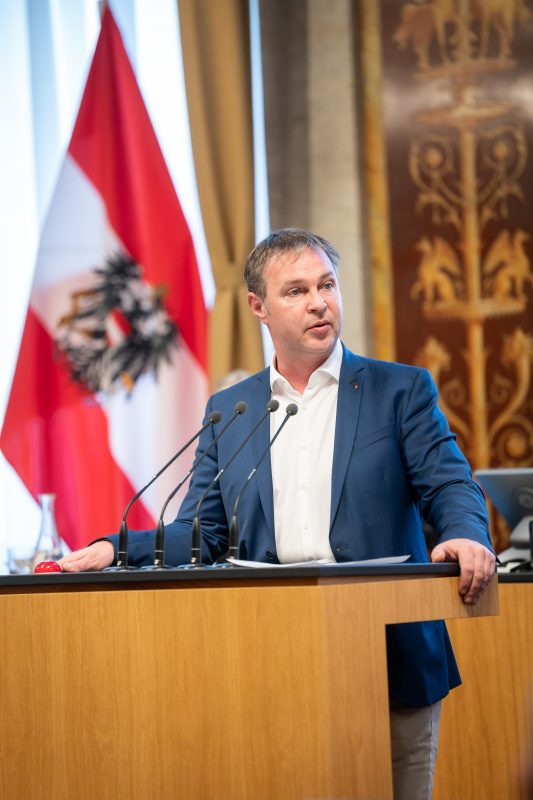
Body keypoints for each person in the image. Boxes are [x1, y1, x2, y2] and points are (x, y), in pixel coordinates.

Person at [59, 228, 496, 800]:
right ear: (257, 307)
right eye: (296, 291)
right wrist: (117, 549)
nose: (319, 302)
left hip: (388, 655)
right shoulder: (231, 411)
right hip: (268, 656)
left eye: (327, 285)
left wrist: (465, 534)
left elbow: (449, 483)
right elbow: (203, 533)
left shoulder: (400, 390)